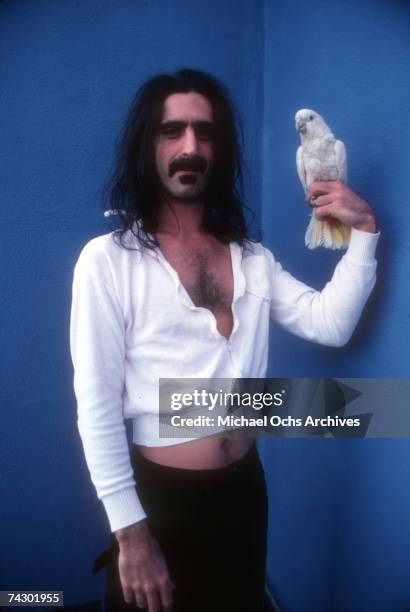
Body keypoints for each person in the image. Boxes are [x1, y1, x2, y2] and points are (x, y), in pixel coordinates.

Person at [69, 68, 379, 612]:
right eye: (173, 131)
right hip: (160, 501)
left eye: (205, 132)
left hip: (243, 492)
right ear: (148, 146)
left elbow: (330, 325)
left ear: (221, 150)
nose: (190, 146)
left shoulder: (252, 260)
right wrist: (131, 533)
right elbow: (95, 405)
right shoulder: (108, 261)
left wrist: (365, 232)